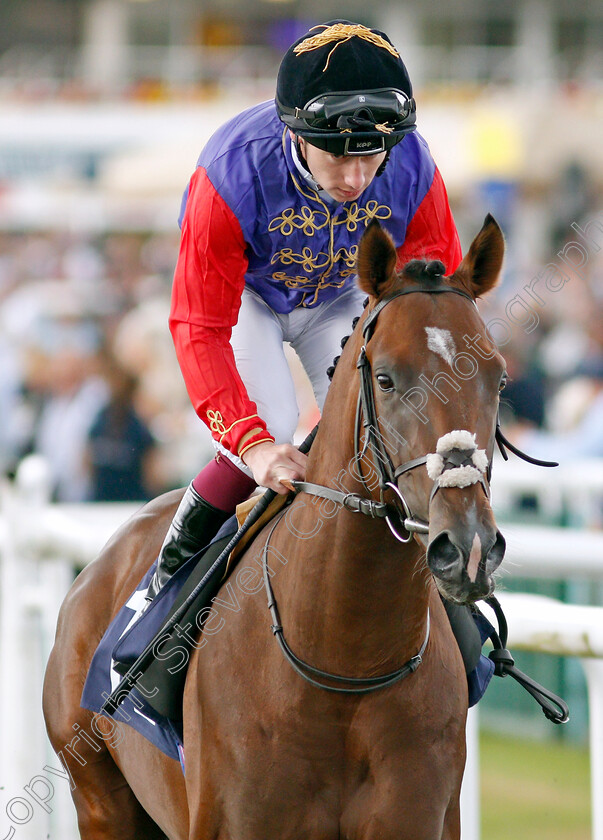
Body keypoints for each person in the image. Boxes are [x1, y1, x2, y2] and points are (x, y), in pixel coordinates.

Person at [146, 20, 462, 601]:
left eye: (371, 156)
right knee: (269, 419)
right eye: (336, 155)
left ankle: (452, 613)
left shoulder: (414, 164)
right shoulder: (230, 174)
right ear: (296, 133)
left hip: (340, 295)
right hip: (251, 299)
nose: (356, 177)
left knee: (393, 423)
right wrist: (255, 444)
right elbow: (199, 326)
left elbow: (435, 296)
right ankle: (165, 585)